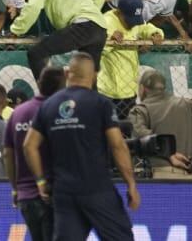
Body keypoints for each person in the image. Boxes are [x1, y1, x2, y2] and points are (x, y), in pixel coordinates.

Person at [22, 53, 141, 241]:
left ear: (68, 72)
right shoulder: (101, 104)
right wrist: (131, 184)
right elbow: (118, 146)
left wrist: (40, 181)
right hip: (97, 188)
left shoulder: (49, 105)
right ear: (94, 75)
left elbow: (29, 146)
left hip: (64, 191)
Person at [5, 66, 68, 241]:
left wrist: (15, 189)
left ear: (39, 84)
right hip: (51, 193)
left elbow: (7, 153)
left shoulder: (18, 112)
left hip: (26, 196)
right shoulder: (59, 112)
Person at [129, 69, 192, 179]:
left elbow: (140, 134)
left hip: (160, 175)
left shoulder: (140, 110)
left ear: (142, 89)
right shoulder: (185, 103)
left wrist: (169, 153)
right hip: (190, 174)